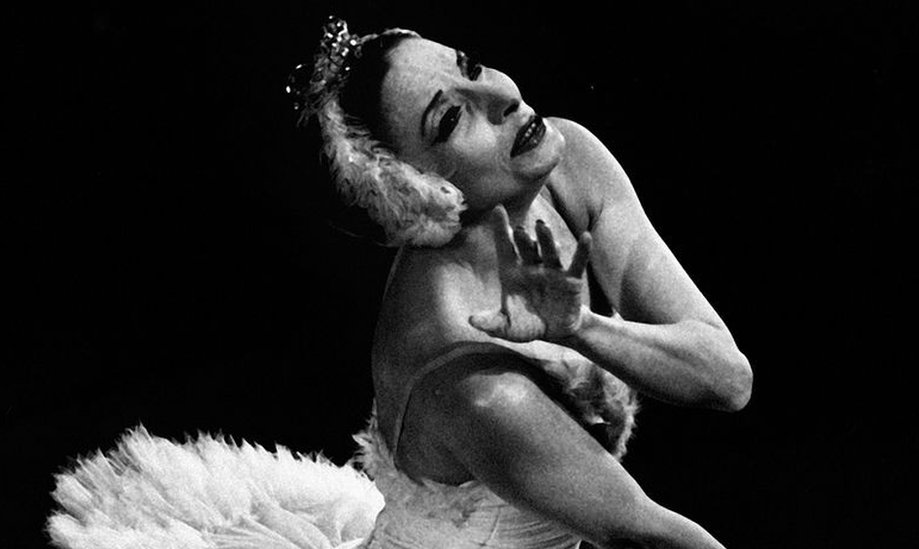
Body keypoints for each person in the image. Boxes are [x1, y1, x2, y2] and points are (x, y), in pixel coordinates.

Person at [48, 17, 752, 549]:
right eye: (452, 118)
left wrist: (585, 329)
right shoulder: (470, 376)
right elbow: (651, 534)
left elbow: (726, 378)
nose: (502, 95)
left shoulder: (571, 164)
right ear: (418, 190)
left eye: (471, 66)